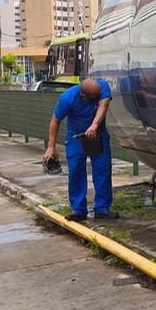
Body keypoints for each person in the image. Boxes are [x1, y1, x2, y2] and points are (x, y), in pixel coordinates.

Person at [43, 78, 118, 222]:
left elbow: (104, 104)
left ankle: (102, 208)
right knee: (76, 171)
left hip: (98, 135)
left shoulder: (102, 87)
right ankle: (79, 209)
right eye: (94, 98)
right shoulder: (67, 98)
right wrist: (51, 147)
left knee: (102, 170)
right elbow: (55, 121)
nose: (98, 99)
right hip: (76, 137)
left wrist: (94, 126)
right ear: (84, 96)